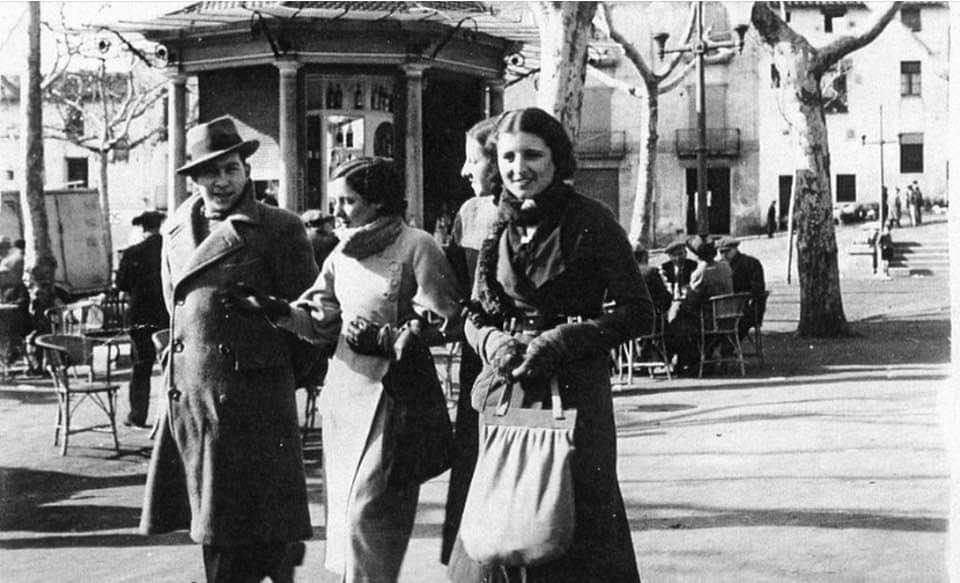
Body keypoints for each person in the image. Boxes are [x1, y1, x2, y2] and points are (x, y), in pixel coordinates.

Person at [234, 157, 463, 581]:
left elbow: (448, 320)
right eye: (335, 200)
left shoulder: (418, 245)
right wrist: (275, 310)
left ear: (378, 202)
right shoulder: (342, 251)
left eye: (348, 201)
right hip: (344, 396)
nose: (337, 210)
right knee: (343, 519)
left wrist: (393, 337)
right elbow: (321, 325)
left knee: (367, 515)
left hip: (394, 399)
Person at [447, 107, 650, 582]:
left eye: (532, 155)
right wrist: (492, 341)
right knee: (500, 523)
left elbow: (638, 311)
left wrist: (564, 339)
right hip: (508, 391)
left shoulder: (591, 220)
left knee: (573, 526)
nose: (519, 168)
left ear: (557, 158)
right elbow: (473, 313)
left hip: (575, 394)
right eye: (508, 157)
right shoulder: (496, 224)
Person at [138, 116, 317, 583]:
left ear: (246, 171)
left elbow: (308, 319)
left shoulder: (279, 227)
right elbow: (175, 309)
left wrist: (266, 377)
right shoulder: (175, 229)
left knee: (252, 535)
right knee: (216, 529)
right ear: (194, 179)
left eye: (231, 169)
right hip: (194, 401)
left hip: (255, 407)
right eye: (209, 172)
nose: (221, 181)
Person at [441, 116, 502, 566]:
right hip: (476, 353)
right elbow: (453, 287)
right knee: (474, 455)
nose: (465, 171)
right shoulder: (470, 213)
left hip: (516, 353)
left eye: (473, 160)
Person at [114, 210, 168, 428]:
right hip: (165, 314)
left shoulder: (132, 253)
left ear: (142, 228)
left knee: (141, 366)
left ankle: (138, 415)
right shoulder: (169, 249)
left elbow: (121, 284)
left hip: (140, 315)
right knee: (171, 365)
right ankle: (171, 416)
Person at [667, 235, 733, 374]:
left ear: (697, 255)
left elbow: (691, 299)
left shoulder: (700, 272)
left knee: (678, 321)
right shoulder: (725, 266)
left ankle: (686, 360)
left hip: (708, 318)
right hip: (729, 315)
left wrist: (685, 294)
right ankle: (695, 358)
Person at [717, 236, 766, 338]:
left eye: (727, 251)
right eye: (721, 252)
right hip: (725, 309)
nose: (724, 255)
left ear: (735, 249)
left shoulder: (750, 263)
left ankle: (728, 344)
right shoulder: (719, 265)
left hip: (747, 309)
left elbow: (758, 288)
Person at [633, 243, 672, 315]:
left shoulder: (623, 274)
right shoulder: (651, 271)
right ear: (644, 256)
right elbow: (665, 299)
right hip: (650, 315)